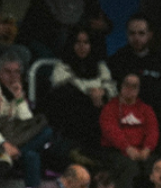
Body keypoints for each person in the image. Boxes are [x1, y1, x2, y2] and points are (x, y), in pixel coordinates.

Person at [0, 50, 53, 188]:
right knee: (31, 155)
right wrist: (5, 144)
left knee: (45, 135)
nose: (13, 76)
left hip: (16, 141)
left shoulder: (17, 92)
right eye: (8, 72)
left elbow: (27, 122)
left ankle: (10, 158)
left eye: (17, 72)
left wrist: (19, 99)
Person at [47, 25, 117, 154]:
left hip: (98, 116)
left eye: (86, 42)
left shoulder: (100, 66)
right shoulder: (62, 66)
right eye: (78, 42)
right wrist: (92, 93)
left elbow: (112, 89)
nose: (82, 47)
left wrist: (103, 93)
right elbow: (65, 89)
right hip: (72, 120)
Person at [98, 72, 159, 188]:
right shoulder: (110, 108)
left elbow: (153, 130)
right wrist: (127, 148)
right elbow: (111, 131)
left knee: (156, 166)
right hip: (116, 151)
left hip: (142, 150)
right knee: (130, 168)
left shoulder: (146, 109)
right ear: (121, 86)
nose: (130, 89)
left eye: (135, 86)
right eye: (127, 85)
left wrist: (147, 149)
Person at [106, 13, 161, 111]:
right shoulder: (117, 60)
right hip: (123, 114)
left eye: (141, 33)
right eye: (132, 33)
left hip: (153, 116)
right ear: (127, 34)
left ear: (150, 35)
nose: (136, 38)